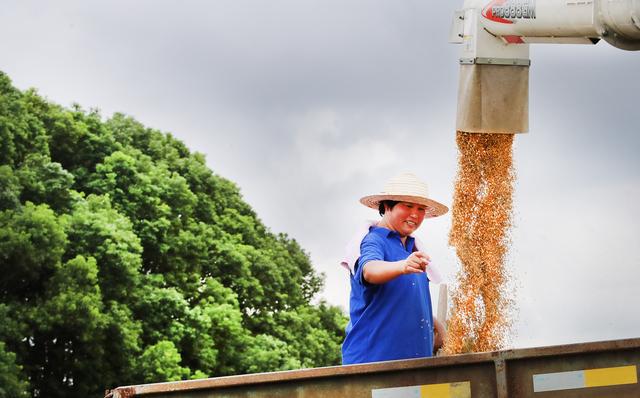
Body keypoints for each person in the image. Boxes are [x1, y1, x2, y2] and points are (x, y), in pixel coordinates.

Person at [341, 172, 449, 365]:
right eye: (407, 206)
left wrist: (434, 324)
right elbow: (370, 270)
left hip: (413, 364)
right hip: (375, 362)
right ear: (387, 206)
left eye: (421, 208)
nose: (415, 214)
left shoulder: (412, 247)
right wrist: (403, 265)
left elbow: (399, 299)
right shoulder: (373, 240)